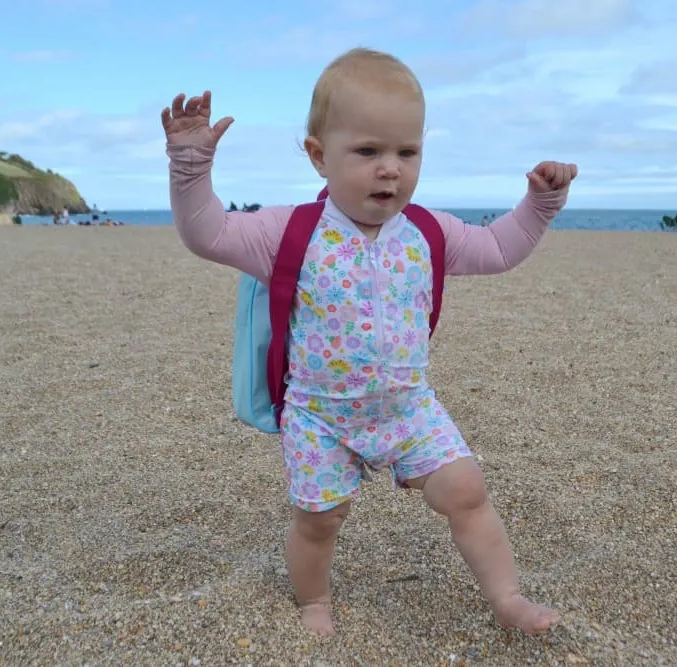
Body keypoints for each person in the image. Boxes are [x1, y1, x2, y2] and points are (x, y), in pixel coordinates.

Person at [162, 47, 577, 637]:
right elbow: (208, 234)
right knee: (320, 519)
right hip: (320, 415)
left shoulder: (428, 231)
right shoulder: (290, 232)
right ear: (318, 156)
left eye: (407, 152)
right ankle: (313, 602)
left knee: (467, 489)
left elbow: (499, 249)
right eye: (368, 151)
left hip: (408, 407)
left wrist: (539, 206)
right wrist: (189, 168)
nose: (391, 169)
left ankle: (507, 597)